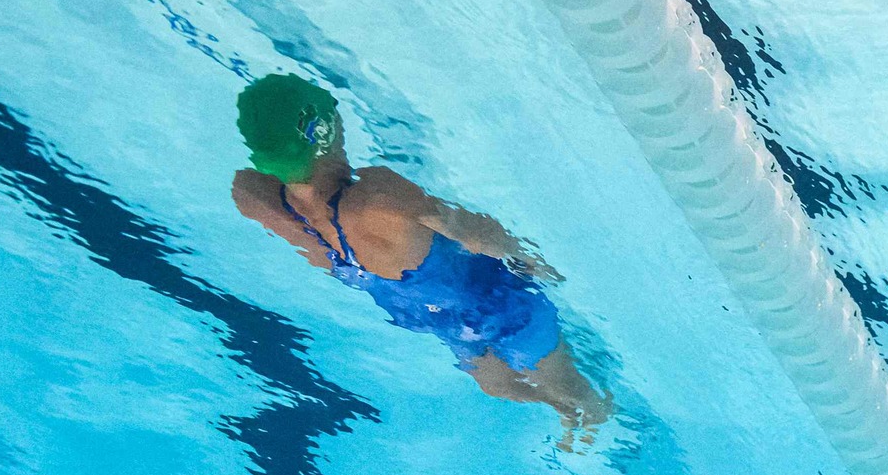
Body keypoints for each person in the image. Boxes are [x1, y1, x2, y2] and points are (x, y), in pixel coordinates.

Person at [229, 74, 611, 440]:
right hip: (502, 303)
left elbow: (256, 175)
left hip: (435, 322)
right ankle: (596, 417)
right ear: (324, 131)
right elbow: (477, 235)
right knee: (569, 386)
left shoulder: (256, 200)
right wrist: (539, 263)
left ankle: (562, 414)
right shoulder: (376, 198)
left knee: (499, 387)